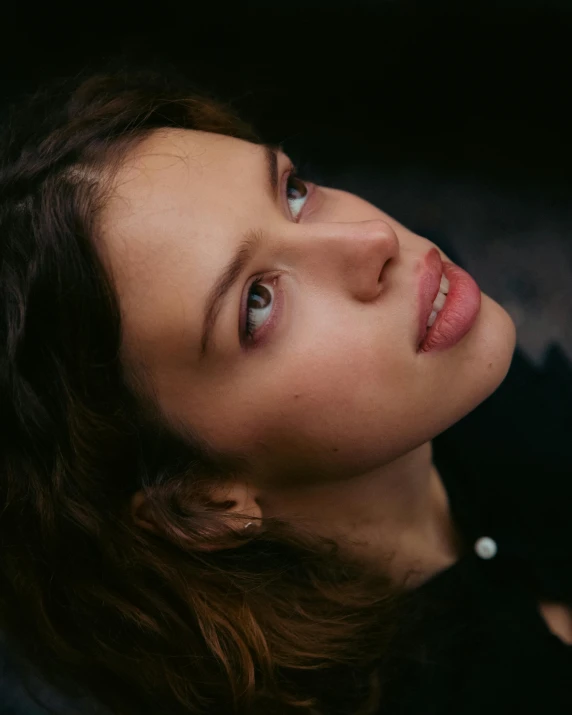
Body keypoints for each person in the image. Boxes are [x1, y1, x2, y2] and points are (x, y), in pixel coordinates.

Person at [0, 65, 571, 715]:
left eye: (293, 192)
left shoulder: (455, 394)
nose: (373, 238)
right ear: (201, 501)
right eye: (259, 303)